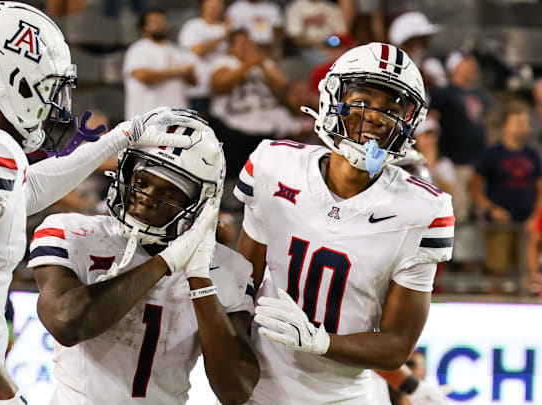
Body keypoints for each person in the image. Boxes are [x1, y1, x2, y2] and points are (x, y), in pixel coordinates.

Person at [0, 2, 206, 404]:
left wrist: (120, 137)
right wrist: (6, 394)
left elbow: (22, 190)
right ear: (15, 81)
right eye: (49, 86)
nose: (55, 100)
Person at [234, 42, 451, 404]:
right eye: (364, 99)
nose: (378, 117)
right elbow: (241, 289)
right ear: (333, 98)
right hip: (261, 385)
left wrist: (321, 342)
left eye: (393, 108)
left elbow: (396, 344)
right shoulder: (273, 165)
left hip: (346, 396)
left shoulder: (424, 210)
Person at [29, 123, 259, 404]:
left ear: (200, 204)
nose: (146, 198)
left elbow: (236, 390)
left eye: (170, 192)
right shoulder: (73, 232)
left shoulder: (227, 269)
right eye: (142, 182)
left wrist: (199, 280)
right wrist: (166, 261)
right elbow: (66, 324)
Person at [469, 101, 542, 292]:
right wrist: (490, 208)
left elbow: (540, 188)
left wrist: (535, 216)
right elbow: (473, 184)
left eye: (525, 123)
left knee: (528, 272)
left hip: (526, 222)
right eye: (518, 123)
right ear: (506, 126)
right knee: (497, 272)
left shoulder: (533, 154)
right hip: (500, 222)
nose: (523, 128)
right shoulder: (493, 153)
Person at [209, 28, 289, 178]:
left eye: (248, 43)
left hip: (265, 127)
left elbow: (282, 88)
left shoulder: (264, 64)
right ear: (231, 47)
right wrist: (248, 64)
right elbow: (219, 85)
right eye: (241, 43)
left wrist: (261, 65)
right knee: (233, 175)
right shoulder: (224, 62)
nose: (246, 47)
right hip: (233, 129)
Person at [429, 50, 495, 223]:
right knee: (458, 211)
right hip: (453, 162)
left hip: (479, 164)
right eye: (468, 62)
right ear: (455, 67)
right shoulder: (443, 94)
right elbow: (430, 124)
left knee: (479, 214)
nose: (473, 66)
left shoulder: (483, 95)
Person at [123, 9, 197, 120]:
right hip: (147, 120)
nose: (160, 24)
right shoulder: (138, 49)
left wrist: (187, 72)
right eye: (154, 21)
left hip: (177, 119)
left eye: (162, 21)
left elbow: (194, 81)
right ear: (142, 28)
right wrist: (176, 71)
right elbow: (142, 76)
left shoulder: (177, 50)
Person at [178, 0, 229, 116]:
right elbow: (198, 51)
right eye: (211, 5)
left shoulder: (225, 27)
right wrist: (223, 36)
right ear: (203, 7)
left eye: (218, 6)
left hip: (221, 89)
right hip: (199, 89)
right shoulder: (193, 26)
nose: (214, 9)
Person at [388, 12, 446, 90]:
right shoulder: (390, 74)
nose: (422, 47)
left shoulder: (430, 69)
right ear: (403, 45)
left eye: (425, 41)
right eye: (417, 42)